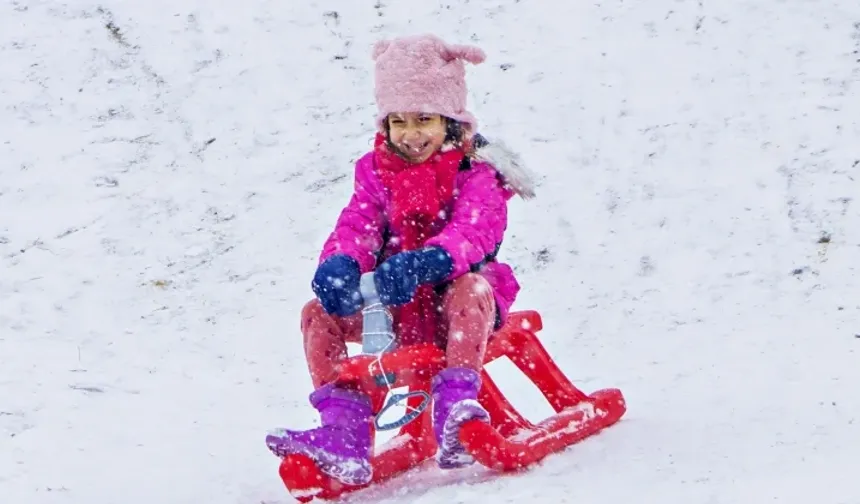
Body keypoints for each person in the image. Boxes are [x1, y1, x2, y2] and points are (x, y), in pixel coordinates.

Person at [265, 33, 536, 486]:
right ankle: (345, 432)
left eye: (424, 119)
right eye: (399, 122)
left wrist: (427, 262)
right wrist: (341, 263)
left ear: (450, 120)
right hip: (395, 305)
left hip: (457, 305)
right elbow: (358, 224)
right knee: (318, 314)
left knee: (472, 288)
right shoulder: (376, 171)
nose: (411, 135)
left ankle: (455, 409)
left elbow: (473, 231)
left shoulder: (478, 172)